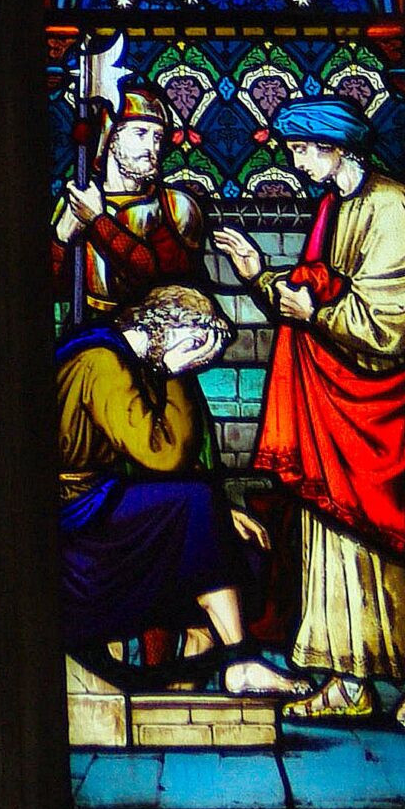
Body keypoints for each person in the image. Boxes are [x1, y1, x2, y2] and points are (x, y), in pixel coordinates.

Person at [212, 96, 405, 728]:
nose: (297, 162)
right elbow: (311, 293)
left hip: (380, 408)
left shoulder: (391, 205)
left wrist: (318, 312)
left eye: (304, 150)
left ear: (338, 148)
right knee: (330, 529)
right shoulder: (333, 205)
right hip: (331, 405)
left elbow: (393, 322)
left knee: (391, 531)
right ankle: (346, 679)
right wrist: (258, 276)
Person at [56, 284, 305, 695]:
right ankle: (239, 659)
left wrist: (221, 514)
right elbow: (163, 454)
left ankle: (187, 682)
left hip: (99, 509)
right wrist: (175, 373)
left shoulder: (131, 361)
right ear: (165, 327)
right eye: (194, 349)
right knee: (195, 501)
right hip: (74, 530)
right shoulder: (100, 362)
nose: (196, 363)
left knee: (239, 547)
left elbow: (160, 467)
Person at [53, 82, 206, 319]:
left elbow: (160, 280)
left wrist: (98, 221)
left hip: (155, 326)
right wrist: (61, 238)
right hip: (90, 325)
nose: (152, 147)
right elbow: (48, 287)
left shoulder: (175, 206)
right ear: (111, 138)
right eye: (141, 134)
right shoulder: (78, 200)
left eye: (157, 137)